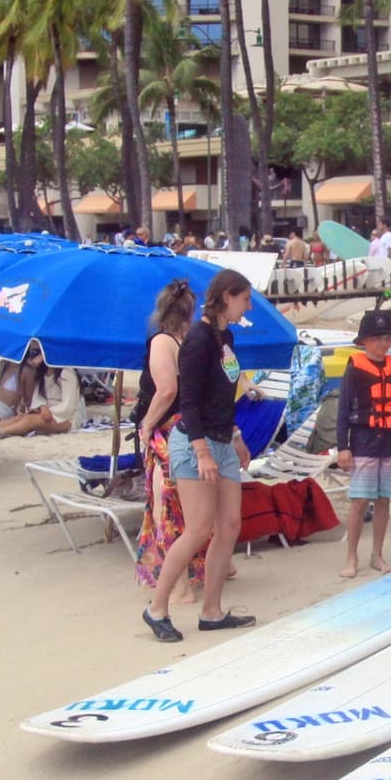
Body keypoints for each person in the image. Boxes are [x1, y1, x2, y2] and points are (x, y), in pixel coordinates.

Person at [141, 268, 259, 641]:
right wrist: (202, 451)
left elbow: (224, 395)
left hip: (222, 441)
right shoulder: (198, 339)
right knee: (198, 529)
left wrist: (236, 436)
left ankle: (212, 610)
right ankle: (156, 607)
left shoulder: (225, 337)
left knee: (230, 526)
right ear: (227, 297)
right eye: (245, 299)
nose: (248, 306)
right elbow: (187, 400)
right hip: (195, 443)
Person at [135, 281, 206, 610]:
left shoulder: (162, 342)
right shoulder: (193, 341)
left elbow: (165, 391)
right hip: (195, 429)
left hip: (169, 432)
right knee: (196, 508)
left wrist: (147, 423)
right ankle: (215, 569)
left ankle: (180, 588)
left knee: (167, 509)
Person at [336, 309, 391, 578]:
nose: (383, 343)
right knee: (360, 500)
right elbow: (343, 410)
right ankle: (351, 557)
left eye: (387, 338)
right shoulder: (354, 369)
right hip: (364, 442)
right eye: (377, 338)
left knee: (384, 500)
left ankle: (377, 554)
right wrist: (343, 447)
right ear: (364, 341)